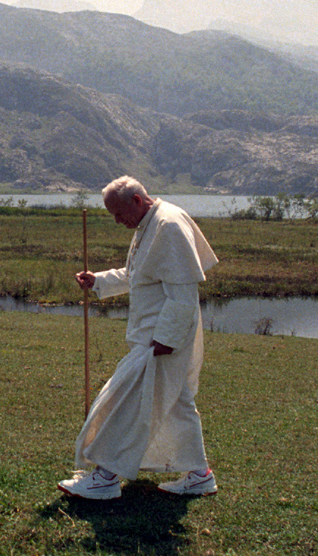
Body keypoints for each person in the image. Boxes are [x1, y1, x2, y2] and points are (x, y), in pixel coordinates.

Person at [59, 176, 219, 499]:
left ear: (136, 201)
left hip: (161, 340)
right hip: (154, 336)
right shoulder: (149, 224)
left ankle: (106, 476)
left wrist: (166, 339)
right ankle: (200, 474)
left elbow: (183, 294)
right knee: (176, 403)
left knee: (127, 400)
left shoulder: (169, 226)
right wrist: (98, 280)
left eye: (119, 214)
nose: (118, 222)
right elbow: (138, 276)